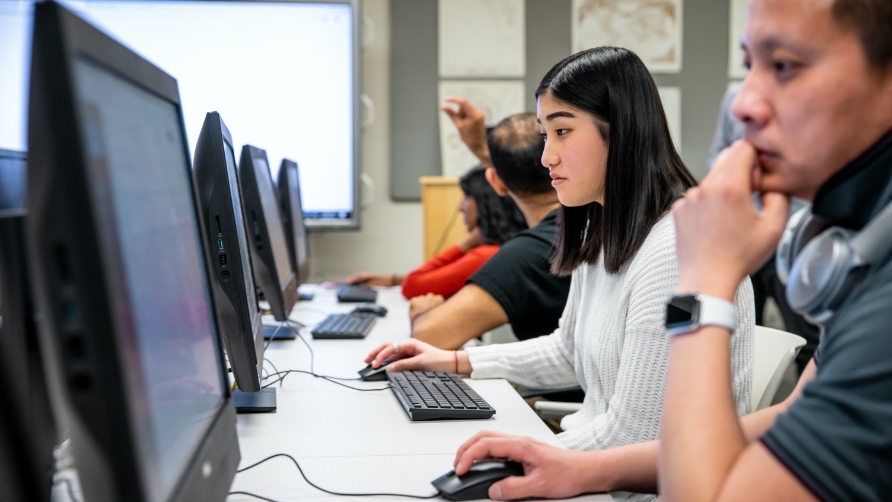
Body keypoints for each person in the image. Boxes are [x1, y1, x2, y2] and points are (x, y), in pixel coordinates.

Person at [450, 1, 892, 501]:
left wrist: (706, 282)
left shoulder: (678, 251)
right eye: (751, 67)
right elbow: (790, 418)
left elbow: (699, 490)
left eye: (784, 65)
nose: (742, 104)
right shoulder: (866, 274)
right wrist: (574, 466)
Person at [366, 48, 755, 501]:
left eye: (563, 131)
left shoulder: (674, 251)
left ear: (622, 133)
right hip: (593, 477)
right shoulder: (601, 226)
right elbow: (568, 350)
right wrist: (455, 363)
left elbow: (637, 435)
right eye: (544, 134)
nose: (547, 156)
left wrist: (519, 460)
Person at [408, 104, 573, 348]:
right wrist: (480, 148)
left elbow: (429, 336)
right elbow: (523, 168)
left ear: (496, 182)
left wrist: (420, 314)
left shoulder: (528, 254)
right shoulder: (594, 219)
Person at [710, 83, 820, 373]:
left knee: (807, 339)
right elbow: (718, 152)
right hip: (743, 238)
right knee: (742, 334)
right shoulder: (734, 97)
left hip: (792, 240)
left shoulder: (806, 102)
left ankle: (807, 405)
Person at [346, 165, 527, 300]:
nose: (460, 208)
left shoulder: (487, 255)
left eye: (466, 198)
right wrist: (393, 280)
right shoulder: (503, 249)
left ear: (485, 205)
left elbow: (413, 287)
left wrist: (466, 243)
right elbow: (439, 278)